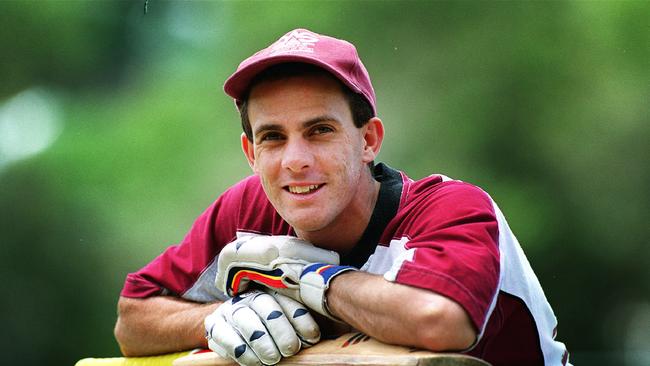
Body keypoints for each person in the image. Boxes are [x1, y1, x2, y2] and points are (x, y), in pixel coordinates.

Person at [114, 28, 570, 366]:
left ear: (369, 140)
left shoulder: (452, 206)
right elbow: (132, 320)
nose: (295, 160)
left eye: (319, 131)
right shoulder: (247, 209)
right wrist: (218, 318)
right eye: (273, 137)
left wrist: (302, 276)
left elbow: (439, 322)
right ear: (251, 153)